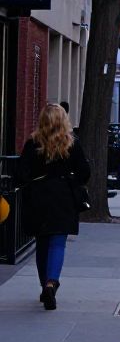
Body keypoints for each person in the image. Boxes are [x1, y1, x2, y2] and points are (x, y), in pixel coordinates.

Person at [15, 104, 91, 311]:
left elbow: (20, 173)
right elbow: (84, 171)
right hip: (63, 197)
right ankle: (51, 282)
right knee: (58, 243)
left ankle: (44, 285)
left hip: (38, 197)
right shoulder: (72, 143)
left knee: (42, 242)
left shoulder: (33, 143)